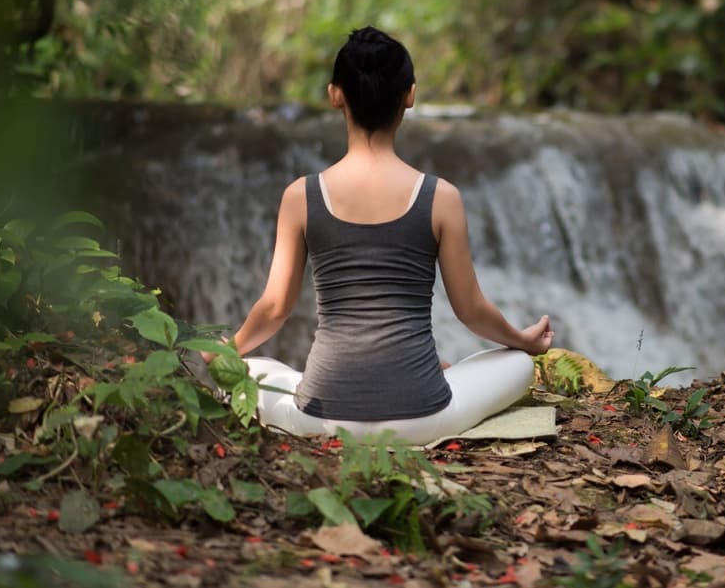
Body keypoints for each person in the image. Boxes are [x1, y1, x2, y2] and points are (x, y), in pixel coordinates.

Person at [209, 27, 553, 445]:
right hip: (421, 416)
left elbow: (275, 307)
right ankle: (440, 373)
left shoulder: (301, 196)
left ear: (336, 94)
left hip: (322, 417)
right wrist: (523, 341)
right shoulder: (440, 197)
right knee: (516, 364)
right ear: (409, 95)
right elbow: (470, 310)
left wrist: (229, 350)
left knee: (248, 371)